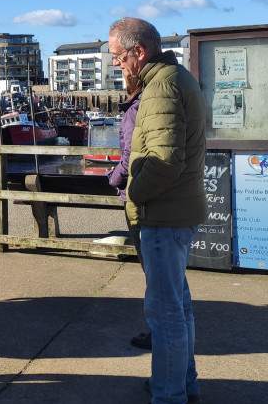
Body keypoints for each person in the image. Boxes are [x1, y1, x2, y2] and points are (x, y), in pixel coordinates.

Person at [109, 17, 207, 404]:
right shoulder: (172, 79)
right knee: (178, 308)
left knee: (165, 314)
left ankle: (169, 394)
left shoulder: (162, 86)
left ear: (138, 51)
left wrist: (134, 192)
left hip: (163, 215)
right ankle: (183, 385)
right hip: (173, 212)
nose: (116, 64)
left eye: (118, 56)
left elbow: (165, 160)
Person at [106, 73, 151, 350]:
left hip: (136, 193)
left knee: (151, 267)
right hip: (148, 192)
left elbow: (130, 154)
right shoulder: (148, 105)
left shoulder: (135, 109)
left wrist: (114, 178)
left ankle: (155, 329)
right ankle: (157, 327)